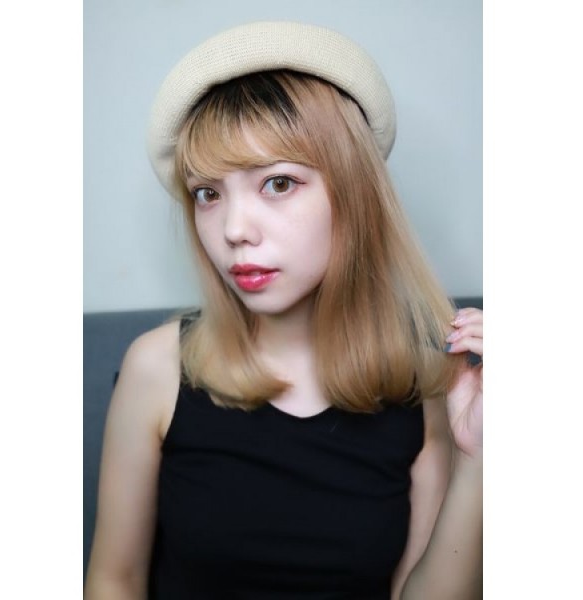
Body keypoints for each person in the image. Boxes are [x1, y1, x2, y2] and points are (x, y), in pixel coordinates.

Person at [85, 21, 482, 600]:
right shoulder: (157, 368)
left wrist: (479, 463)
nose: (233, 230)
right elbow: (113, 581)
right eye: (207, 193)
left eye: (276, 184)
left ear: (354, 194)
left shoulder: (425, 385)